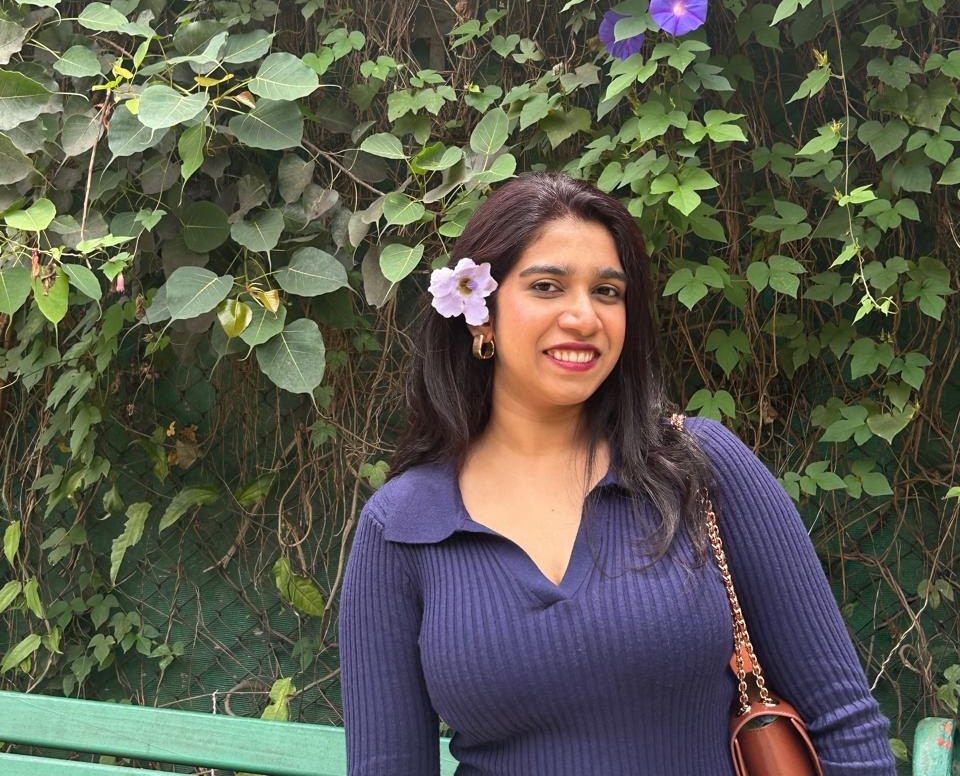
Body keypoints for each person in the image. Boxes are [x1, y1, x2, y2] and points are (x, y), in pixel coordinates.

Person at [338, 172, 896, 775]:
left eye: (607, 292)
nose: (584, 317)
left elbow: (844, 722)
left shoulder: (696, 467)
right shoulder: (402, 526)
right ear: (481, 316)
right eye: (547, 286)